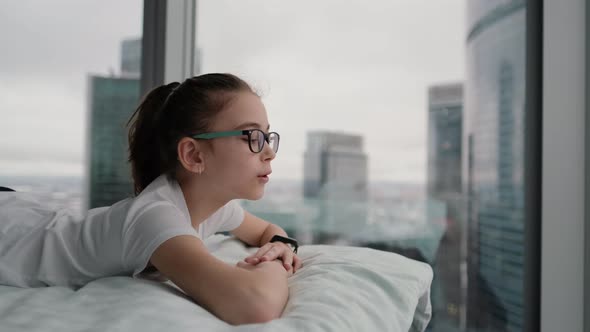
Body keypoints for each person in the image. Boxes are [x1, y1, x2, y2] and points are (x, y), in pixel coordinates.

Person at [0, 73, 302, 325]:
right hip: (11, 230)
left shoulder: (213, 207)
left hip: (32, 217)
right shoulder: (156, 218)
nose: (269, 151)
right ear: (194, 155)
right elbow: (255, 304)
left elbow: (266, 231)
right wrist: (274, 263)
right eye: (250, 135)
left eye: (266, 135)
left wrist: (280, 246)